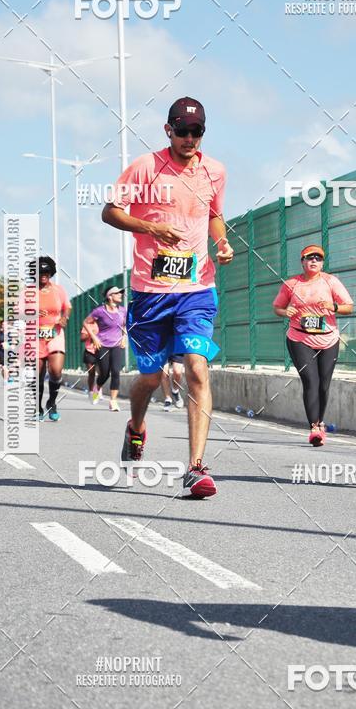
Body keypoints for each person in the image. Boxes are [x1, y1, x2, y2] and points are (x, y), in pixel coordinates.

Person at [102, 96, 234, 497]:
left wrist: (222, 241)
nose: (189, 139)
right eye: (182, 131)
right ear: (168, 130)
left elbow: (214, 214)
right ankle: (136, 428)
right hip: (149, 292)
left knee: (196, 366)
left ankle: (195, 467)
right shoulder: (144, 167)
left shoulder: (215, 171)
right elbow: (110, 212)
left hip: (197, 288)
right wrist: (151, 228)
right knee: (150, 377)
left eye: (197, 132)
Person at [273, 245, 354, 445]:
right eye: (309, 258)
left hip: (328, 339)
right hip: (300, 338)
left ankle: (321, 421)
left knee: (324, 385)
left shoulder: (331, 281)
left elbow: (349, 307)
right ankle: (314, 428)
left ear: (322, 262)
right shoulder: (292, 284)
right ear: (302, 262)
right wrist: (286, 312)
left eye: (318, 258)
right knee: (311, 381)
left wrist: (333, 306)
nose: (314, 261)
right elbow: (277, 307)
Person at [29, 256, 71, 422]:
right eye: (40, 272)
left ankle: (52, 402)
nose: (43, 274)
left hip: (55, 333)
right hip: (34, 336)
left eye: (46, 271)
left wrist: (64, 318)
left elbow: (67, 307)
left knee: (56, 370)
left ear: (51, 272)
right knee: (37, 374)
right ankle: (37, 407)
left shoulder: (58, 290)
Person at [82, 286, 126, 411]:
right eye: (118, 293)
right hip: (103, 345)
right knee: (105, 374)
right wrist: (94, 338)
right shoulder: (99, 311)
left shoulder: (123, 311)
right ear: (110, 296)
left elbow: (126, 325)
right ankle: (96, 388)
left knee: (116, 372)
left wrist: (124, 337)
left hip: (117, 345)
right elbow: (86, 322)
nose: (121, 295)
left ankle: (113, 401)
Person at [80, 317, 99, 400]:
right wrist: (91, 335)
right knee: (91, 372)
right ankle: (91, 392)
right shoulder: (88, 324)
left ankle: (98, 391)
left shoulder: (104, 324)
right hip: (89, 351)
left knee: (102, 373)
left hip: (101, 350)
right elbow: (82, 338)